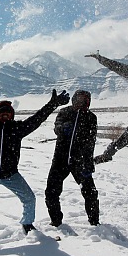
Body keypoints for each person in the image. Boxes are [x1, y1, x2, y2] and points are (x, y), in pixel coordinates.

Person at [0, 67, 70, 241]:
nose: (5, 116)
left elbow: (37, 119)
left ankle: (27, 224)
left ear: (12, 115)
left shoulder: (18, 129)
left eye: (8, 113)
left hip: (10, 175)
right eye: (2, 113)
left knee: (29, 199)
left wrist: (52, 104)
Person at [44, 90, 100, 227]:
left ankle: (94, 222)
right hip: (60, 160)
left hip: (80, 161)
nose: (81, 103)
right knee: (51, 191)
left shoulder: (91, 117)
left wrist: (89, 162)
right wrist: (63, 128)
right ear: (74, 99)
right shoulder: (64, 112)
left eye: (85, 100)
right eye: (79, 99)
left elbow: (91, 142)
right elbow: (56, 128)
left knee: (90, 192)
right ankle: (56, 221)